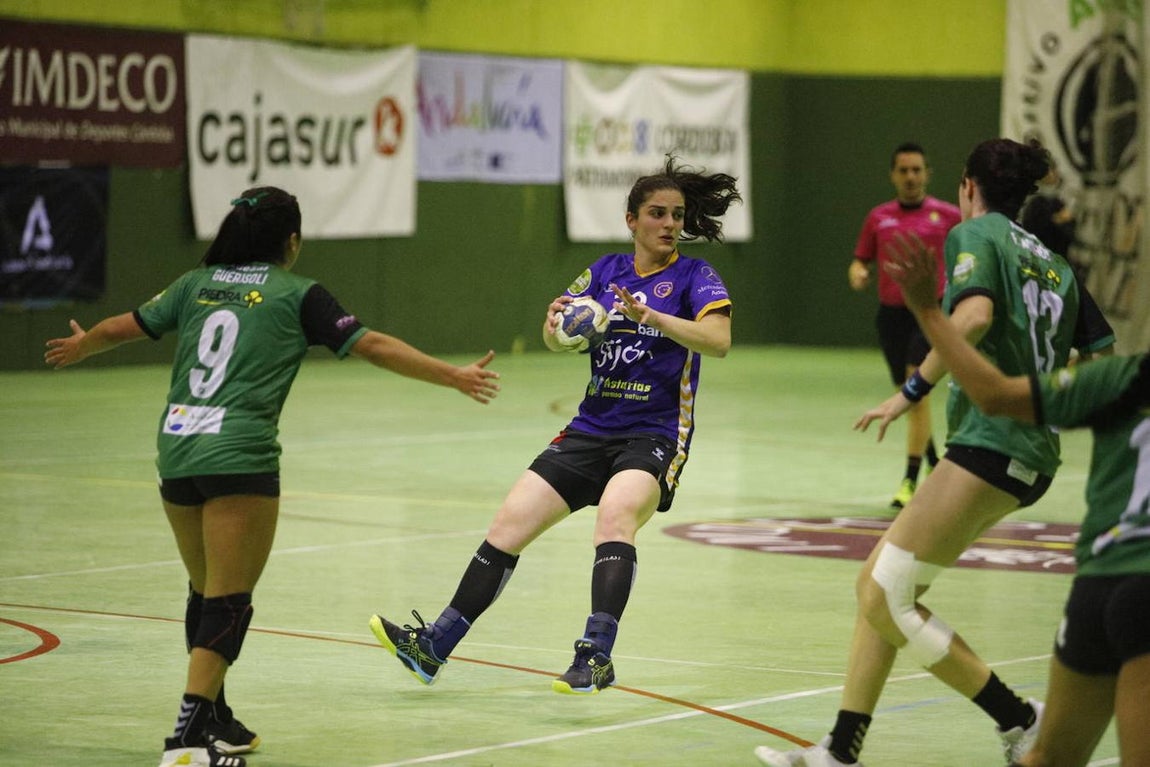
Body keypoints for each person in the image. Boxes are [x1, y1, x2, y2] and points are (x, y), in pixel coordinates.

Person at [43, 187, 501, 767]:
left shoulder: (194, 284)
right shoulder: (297, 294)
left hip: (178, 449)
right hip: (239, 455)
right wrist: (451, 377)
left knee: (205, 590)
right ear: (291, 241)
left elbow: (121, 326)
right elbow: (373, 345)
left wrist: (83, 346)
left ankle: (215, 719)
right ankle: (185, 741)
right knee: (230, 601)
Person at [754, 139, 1115, 767]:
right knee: (881, 586)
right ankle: (842, 747)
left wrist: (912, 387)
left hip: (992, 441)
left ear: (969, 186)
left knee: (885, 591)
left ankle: (1019, 718)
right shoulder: (1054, 263)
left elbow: (971, 318)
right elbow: (1100, 355)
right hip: (1029, 450)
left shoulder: (975, 236)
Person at [369, 154, 739, 694]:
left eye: (677, 216)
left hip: (655, 433)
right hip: (590, 428)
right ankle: (433, 648)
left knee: (615, 516)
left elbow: (720, 341)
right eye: (657, 214)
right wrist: (554, 326)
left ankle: (595, 656)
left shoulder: (694, 276)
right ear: (631, 220)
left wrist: (652, 317)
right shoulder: (605, 272)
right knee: (508, 526)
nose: (669, 225)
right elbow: (559, 337)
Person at [884, 231, 1150, 767]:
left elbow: (993, 394)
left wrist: (928, 312)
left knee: (1048, 756)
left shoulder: (1125, 378)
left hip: (1096, 592)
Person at [849, 142, 962, 509]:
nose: (911, 177)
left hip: (928, 314)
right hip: (891, 317)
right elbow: (860, 260)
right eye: (904, 170)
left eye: (917, 170)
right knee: (910, 397)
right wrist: (859, 273)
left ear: (927, 173)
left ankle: (910, 482)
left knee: (918, 392)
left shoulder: (948, 217)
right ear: (893, 175)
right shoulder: (878, 217)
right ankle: (936, 466)